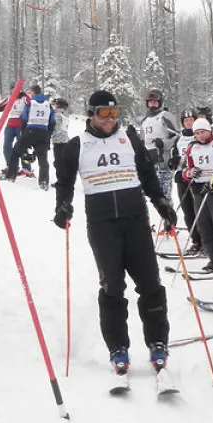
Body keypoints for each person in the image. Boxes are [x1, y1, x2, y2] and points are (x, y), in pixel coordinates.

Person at [54, 90, 177, 374]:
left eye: (115, 113)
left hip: (135, 219)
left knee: (150, 283)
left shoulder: (129, 138)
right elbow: (64, 181)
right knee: (112, 286)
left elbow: (146, 174)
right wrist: (63, 206)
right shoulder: (78, 144)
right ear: (91, 114)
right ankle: (118, 347)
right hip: (102, 224)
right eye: (104, 114)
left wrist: (161, 202)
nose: (110, 120)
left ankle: (158, 341)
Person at [182, 118, 213, 272]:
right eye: (197, 133)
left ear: (210, 131)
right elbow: (186, 170)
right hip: (199, 190)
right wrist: (190, 173)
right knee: (204, 226)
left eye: (203, 132)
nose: (200, 136)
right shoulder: (192, 148)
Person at [3, 85, 55, 190]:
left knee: (16, 152)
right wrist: (48, 135)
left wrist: (24, 132)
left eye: (31, 92)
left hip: (30, 131)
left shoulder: (30, 103)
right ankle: (44, 182)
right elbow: (52, 122)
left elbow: (24, 119)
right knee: (43, 159)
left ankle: (11, 176)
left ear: (34, 93)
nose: (30, 94)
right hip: (43, 133)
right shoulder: (48, 105)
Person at [168, 106, 202, 255]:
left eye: (191, 120)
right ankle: (196, 240)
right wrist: (174, 163)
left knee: (199, 210)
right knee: (187, 211)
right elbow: (173, 161)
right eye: (186, 121)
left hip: (197, 177)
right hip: (183, 177)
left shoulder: (200, 135)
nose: (189, 123)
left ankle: (206, 241)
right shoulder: (178, 139)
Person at [0, 83, 32, 176]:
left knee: (23, 146)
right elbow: (0, 106)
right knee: (6, 146)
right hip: (11, 124)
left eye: (15, 89)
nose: (13, 91)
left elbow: (31, 105)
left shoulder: (24, 98)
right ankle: (11, 166)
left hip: (21, 125)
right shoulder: (10, 98)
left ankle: (27, 168)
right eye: (12, 89)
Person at [139, 88, 179, 198]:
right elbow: (142, 141)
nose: (152, 104)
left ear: (159, 103)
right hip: (149, 163)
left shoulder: (165, 116)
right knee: (146, 195)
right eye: (150, 102)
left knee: (164, 196)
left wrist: (163, 143)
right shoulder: (144, 121)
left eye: (155, 102)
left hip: (163, 161)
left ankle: (167, 215)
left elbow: (177, 138)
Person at [51, 97, 70, 172]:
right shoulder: (65, 114)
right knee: (61, 161)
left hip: (58, 140)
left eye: (55, 104)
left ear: (59, 105)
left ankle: (61, 181)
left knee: (58, 162)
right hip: (65, 139)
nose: (54, 106)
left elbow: (54, 126)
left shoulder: (57, 114)